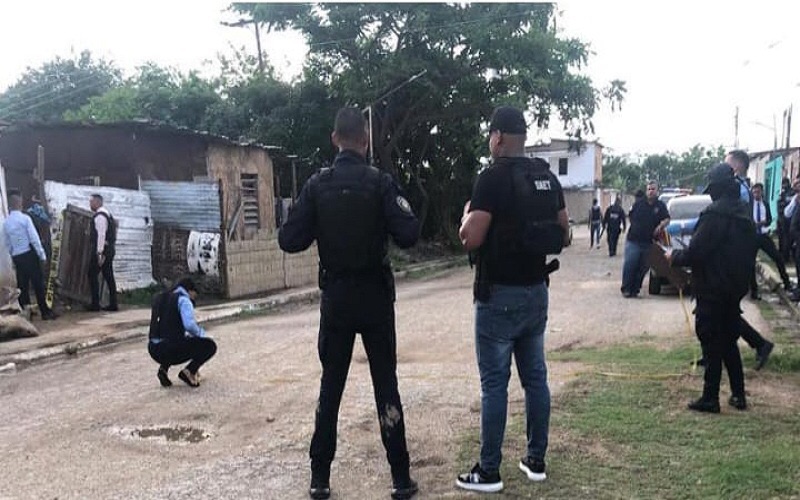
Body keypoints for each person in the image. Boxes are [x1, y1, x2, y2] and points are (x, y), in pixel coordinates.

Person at [278, 107, 420, 500]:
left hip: (337, 300)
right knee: (386, 386)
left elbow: (289, 239)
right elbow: (409, 232)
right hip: (375, 298)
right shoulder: (380, 183)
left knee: (331, 388)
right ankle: (400, 478)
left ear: (334, 139)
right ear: (366, 140)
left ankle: (319, 478)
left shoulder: (317, 185)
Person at [457, 106, 569, 493]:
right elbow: (564, 233)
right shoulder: (546, 177)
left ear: (499, 137)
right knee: (535, 379)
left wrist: (466, 215)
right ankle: (535, 460)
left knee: (495, 385)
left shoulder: (491, 178)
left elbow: (470, 238)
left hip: (498, 295)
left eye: (491, 135)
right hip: (536, 291)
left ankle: (489, 471)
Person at [667, 164, 757, 412]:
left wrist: (674, 257)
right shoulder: (743, 213)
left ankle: (710, 397)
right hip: (734, 289)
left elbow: (696, 252)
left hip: (712, 288)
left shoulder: (715, 215)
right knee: (728, 342)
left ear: (718, 188)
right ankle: (738, 395)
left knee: (710, 342)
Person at [723, 152, 775, 369]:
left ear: (735, 167)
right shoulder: (741, 188)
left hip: (735, 257)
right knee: (722, 311)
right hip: (734, 255)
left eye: (726, 164)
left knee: (725, 312)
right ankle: (714, 353)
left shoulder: (740, 191)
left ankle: (760, 344)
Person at [147, 277, 216, 388]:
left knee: (172, 339)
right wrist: (201, 335)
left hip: (153, 349)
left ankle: (163, 370)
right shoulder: (183, 300)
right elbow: (189, 325)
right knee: (209, 345)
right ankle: (189, 371)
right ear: (190, 291)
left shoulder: (161, 297)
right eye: (194, 295)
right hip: (170, 350)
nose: (194, 298)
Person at [2, 191, 57, 320]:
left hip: (17, 256)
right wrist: (42, 255)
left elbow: (7, 242)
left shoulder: (6, 223)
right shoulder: (25, 219)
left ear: (10, 205)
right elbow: (34, 238)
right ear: (20, 203)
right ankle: (45, 312)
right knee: (38, 283)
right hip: (29, 254)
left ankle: (27, 313)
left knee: (23, 285)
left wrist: (13, 256)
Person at [620, 181, 670, 297]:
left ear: (657, 191)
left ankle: (635, 289)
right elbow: (630, 216)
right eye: (649, 189)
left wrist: (661, 225)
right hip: (634, 240)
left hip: (649, 243)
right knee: (630, 264)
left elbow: (667, 219)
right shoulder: (639, 204)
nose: (650, 191)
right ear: (646, 191)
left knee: (643, 268)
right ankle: (626, 289)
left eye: (653, 189)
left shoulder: (660, 206)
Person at [750, 182, 792, 298]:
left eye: (758, 192)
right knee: (750, 263)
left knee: (778, 257)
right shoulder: (749, 205)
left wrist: (765, 223)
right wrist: (754, 225)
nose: (756, 194)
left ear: (762, 192)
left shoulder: (765, 204)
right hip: (753, 236)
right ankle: (754, 291)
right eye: (754, 192)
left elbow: (769, 220)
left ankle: (787, 283)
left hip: (764, 235)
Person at [87, 194, 118, 312]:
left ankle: (95, 304)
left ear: (97, 202)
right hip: (109, 249)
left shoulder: (100, 216)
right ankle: (113, 303)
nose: (90, 204)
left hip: (103, 249)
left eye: (91, 201)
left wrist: (99, 253)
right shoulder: (107, 214)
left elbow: (101, 235)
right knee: (108, 275)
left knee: (92, 274)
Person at [777, 177, 794, 263]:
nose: (783, 185)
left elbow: (786, 205)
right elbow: (779, 204)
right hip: (781, 219)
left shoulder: (791, 193)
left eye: (784, 183)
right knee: (781, 238)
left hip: (787, 220)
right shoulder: (783, 193)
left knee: (786, 238)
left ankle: (785, 256)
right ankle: (782, 254)